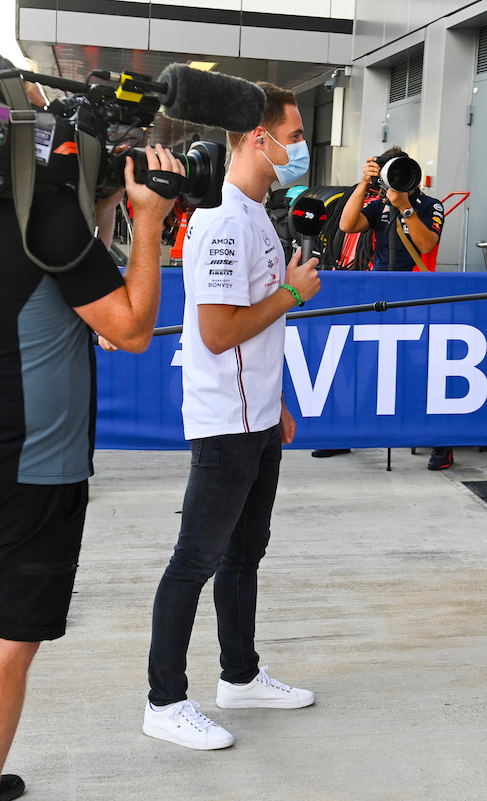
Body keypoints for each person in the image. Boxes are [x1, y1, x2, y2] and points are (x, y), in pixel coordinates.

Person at [0, 144, 182, 801]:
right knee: (7, 641)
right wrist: (148, 222)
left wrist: (94, 214)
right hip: (31, 466)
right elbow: (130, 329)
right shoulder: (50, 223)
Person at [143, 82, 321, 751]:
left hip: (256, 418)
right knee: (195, 559)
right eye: (296, 135)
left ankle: (239, 676)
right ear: (258, 139)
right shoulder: (222, 222)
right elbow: (217, 333)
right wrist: (291, 293)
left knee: (244, 554)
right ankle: (163, 699)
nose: (300, 147)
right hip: (223, 423)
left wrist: (275, 400)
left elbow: (248, 334)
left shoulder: (255, 215)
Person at [333, 147, 452, 469]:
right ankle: (346, 435)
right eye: (390, 173)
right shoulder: (378, 204)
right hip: (378, 292)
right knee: (363, 363)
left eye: (402, 172)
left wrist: (407, 209)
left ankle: (442, 442)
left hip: (416, 294)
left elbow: (427, 244)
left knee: (423, 368)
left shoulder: (430, 205)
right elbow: (347, 225)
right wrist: (363, 184)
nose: (397, 179)